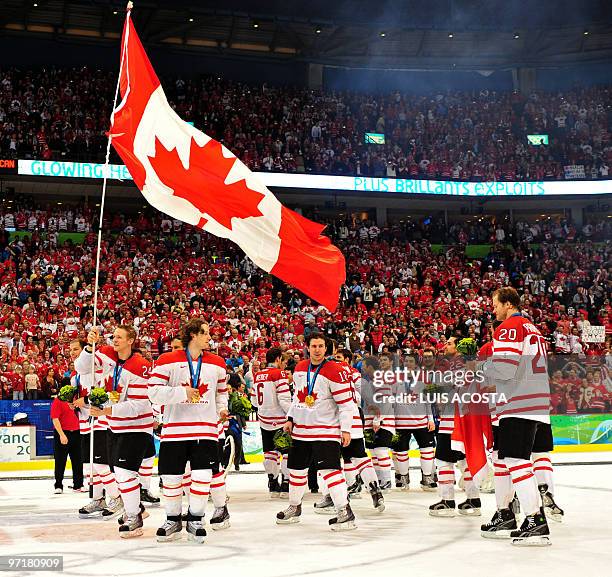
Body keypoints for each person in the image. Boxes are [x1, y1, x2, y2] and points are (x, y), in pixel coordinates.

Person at [481, 287, 552, 546]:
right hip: (532, 399)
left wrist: (481, 368)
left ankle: (535, 519)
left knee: (515, 460)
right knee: (503, 458)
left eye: (496, 304)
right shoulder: (533, 328)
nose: (493, 309)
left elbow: (505, 369)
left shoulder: (509, 327)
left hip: (518, 400)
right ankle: (505, 514)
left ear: (509, 304)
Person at [148, 318, 229, 543]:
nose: (209, 337)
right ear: (193, 334)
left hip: (206, 429)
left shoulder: (218, 363)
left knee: (202, 475)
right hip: (175, 429)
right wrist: (182, 393)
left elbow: (221, 393)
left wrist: (222, 409)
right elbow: (153, 392)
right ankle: (173, 519)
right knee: (172, 477)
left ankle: (196, 518)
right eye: (205, 333)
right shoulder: (167, 360)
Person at [276, 333, 356, 531]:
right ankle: (294, 507)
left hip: (325, 431)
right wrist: (290, 418)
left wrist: (346, 429)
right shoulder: (300, 367)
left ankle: (344, 511)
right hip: (301, 430)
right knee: (295, 471)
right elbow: (297, 397)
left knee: (331, 471)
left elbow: (346, 405)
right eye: (314, 346)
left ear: (326, 348)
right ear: (308, 347)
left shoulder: (335, 370)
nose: (317, 349)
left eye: (321, 346)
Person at [86, 325, 154, 538]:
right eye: (113, 336)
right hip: (115, 426)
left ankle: (134, 515)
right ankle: (136, 509)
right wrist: (89, 347)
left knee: (125, 473)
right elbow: (81, 368)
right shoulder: (108, 358)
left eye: (119, 337)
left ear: (131, 339)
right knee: (120, 473)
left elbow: (140, 405)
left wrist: (107, 409)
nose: (114, 340)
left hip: (137, 427)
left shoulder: (141, 366)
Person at [315, 347, 384, 513]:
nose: (335, 359)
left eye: (338, 357)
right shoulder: (354, 373)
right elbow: (367, 398)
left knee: (328, 461)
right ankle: (376, 492)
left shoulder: (327, 370)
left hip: (334, 420)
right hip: (353, 418)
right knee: (360, 457)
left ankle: (330, 497)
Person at [429, 337, 481, 517]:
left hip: (453, 419)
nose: (445, 346)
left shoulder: (457, 364)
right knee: (465, 459)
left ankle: (447, 501)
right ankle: (473, 500)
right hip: (467, 419)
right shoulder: (469, 363)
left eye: (450, 343)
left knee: (444, 458)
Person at [71, 338, 121, 519]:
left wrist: (85, 400)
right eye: (71, 350)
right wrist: (74, 403)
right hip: (85, 425)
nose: (72, 353)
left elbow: (114, 396)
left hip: (102, 422)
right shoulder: (75, 377)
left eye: (76, 349)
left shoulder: (103, 370)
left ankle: (117, 498)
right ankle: (98, 499)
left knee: (101, 465)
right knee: (89, 467)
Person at [392, 354, 437, 491]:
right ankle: (404, 477)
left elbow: (429, 401)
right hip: (400, 422)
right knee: (401, 451)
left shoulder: (424, 378)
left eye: (411, 361)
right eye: (406, 361)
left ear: (416, 363)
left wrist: (430, 419)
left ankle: (427, 478)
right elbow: (390, 401)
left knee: (427, 450)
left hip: (421, 422)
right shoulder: (395, 378)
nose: (408, 363)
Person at [252, 346, 291, 497]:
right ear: (277, 359)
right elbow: (284, 399)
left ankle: (273, 483)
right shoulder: (279, 374)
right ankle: (286, 483)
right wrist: (293, 414)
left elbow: (254, 401)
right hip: (280, 420)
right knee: (286, 452)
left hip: (263, 420)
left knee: (269, 453)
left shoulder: (258, 375)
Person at [51, 391, 83, 494]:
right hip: (63, 433)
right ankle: (58, 484)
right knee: (60, 460)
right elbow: (55, 419)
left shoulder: (78, 400)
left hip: (78, 433)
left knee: (78, 460)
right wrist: (61, 434)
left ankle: (78, 484)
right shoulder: (58, 401)